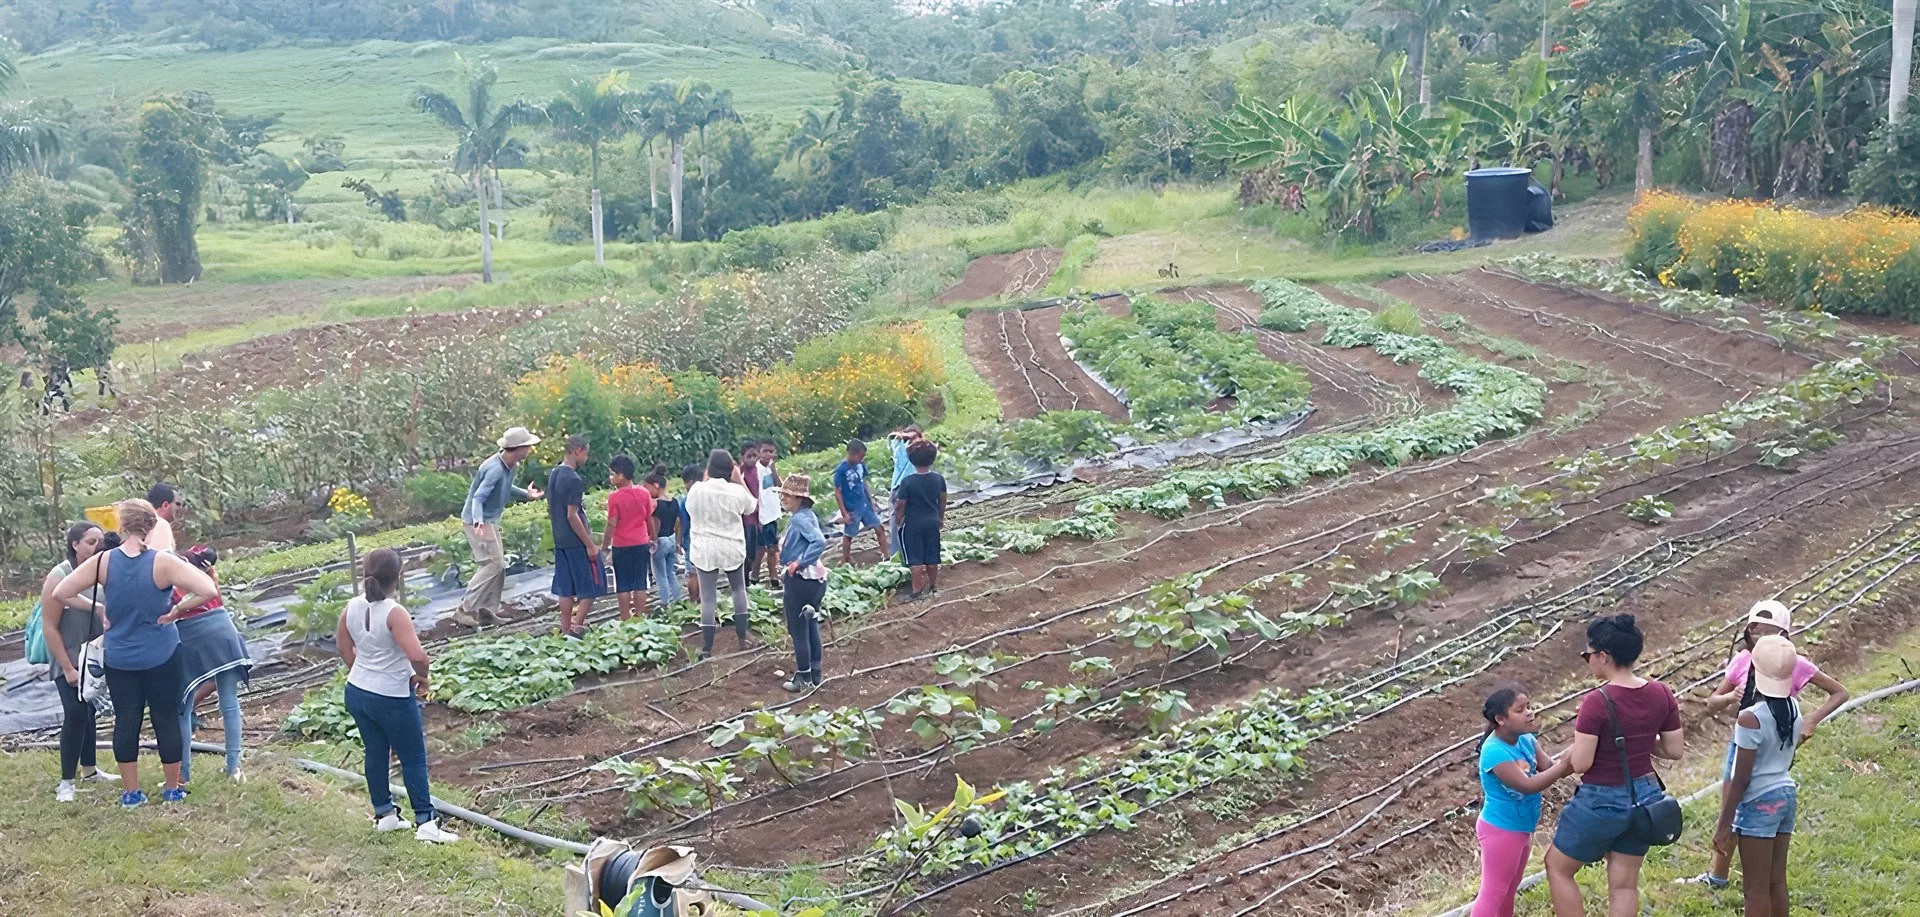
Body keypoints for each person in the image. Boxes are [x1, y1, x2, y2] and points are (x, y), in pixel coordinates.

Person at [51, 498, 220, 808]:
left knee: (126, 720)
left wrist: (100, 608)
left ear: (120, 525)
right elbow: (208, 590)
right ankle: (172, 789)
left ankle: (131, 793)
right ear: (151, 525)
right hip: (162, 653)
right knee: (166, 717)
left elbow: (61, 592)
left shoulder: (102, 563)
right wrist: (176, 611)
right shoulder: (163, 562)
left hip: (120, 656)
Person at [1679, 600, 1849, 890]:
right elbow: (1711, 704)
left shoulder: (1793, 663)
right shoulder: (1743, 662)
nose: (1760, 639)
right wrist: (1732, 695)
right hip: (1743, 743)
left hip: (1774, 745)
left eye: (1769, 634)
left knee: (1746, 804)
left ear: (1783, 637)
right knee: (1732, 807)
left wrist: (1811, 722)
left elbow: (1840, 692)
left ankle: (1754, 874)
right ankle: (1719, 876)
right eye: (1755, 632)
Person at [1544, 614, 1684, 917]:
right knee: (1624, 884)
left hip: (1603, 798)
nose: (1587, 660)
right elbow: (1674, 749)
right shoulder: (1661, 692)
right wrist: (1641, 739)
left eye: (1587, 655)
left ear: (1603, 656)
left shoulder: (1597, 700)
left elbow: (1582, 762)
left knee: (1558, 867)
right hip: (1646, 797)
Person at [335, 548, 458, 843]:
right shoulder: (394, 612)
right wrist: (424, 679)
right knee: (413, 756)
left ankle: (385, 815)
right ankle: (426, 824)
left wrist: (363, 673)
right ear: (398, 577)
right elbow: (418, 657)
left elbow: (343, 648)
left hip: (357, 692)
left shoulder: (350, 606)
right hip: (391, 695)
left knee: (375, 752)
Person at [1713, 635, 1803, 917]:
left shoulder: (1750, 717)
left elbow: (1741, 778)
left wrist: (1724, 823)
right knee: (1776, 881)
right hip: (1786, 795)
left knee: (1754, 889)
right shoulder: (1794, 708)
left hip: (1759, 803)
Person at [1473, 684, 1574, 917]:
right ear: (1501, 719)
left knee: (1508, 890)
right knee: (1493, 893)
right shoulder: (1494, 752)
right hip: (1501, 831)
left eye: (1529, 706)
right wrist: (1564, 766)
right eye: (1520, 710)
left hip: (1520, 829)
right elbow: (1527, 786)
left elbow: (1548, 767)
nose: (1529, 712)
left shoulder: (1526, 739)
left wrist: (1576, 754)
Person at [40, 522, 116, 802]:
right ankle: (66, 782)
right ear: (75, 544)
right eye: (90, 542)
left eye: (99, 541)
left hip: (94, 657)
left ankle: (90, 770)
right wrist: (68, 668)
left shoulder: (103, 570)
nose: (97, 546)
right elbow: (50, 626)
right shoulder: (60, 575)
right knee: (75, 713)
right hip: (68, 657)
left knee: (89, 711)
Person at [454, 427, 545, 628]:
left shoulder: (510, 465)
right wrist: (478, 521)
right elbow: (478, 497)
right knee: (493, 565)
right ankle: (464, 609)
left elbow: (506, 487)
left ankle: (487, 612)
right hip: (477, 520)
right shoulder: (494, 468)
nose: (529, 449)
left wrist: (526, 495)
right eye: (528, 446)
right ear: (518, 448)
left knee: (498, 567)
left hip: (489, 519)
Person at [173, 545, 250, 783]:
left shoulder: (176, 588)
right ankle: (234, 768)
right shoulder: (210, 585)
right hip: (225, 635)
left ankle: (183, 773)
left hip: (193, 640)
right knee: (229, 702)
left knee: (182, 707)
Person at [685, 449, 757, 657]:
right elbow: (751, 507)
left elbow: (690, 510)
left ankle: (707, 648)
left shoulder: (697, 489)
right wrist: (739, 480)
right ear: (730, 470)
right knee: (738, 590)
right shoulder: (736, 492)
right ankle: (742, 638)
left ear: (709, 469)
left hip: (705, 548)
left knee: (708, 598)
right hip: (731, 546)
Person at [549, 434, 604, 638]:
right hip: (575, 540)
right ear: (577, 451)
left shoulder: (555, 473)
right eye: (586, 453)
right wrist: (589, 544)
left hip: (560, 539)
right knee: (592, 584)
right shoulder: (573, 479)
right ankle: (576, 626)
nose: (586, 458)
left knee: (566, 587)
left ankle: (565, 628)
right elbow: (572, 515)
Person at [777, 473, 829, 692]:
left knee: (798, 629)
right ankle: (815, 674)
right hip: (816, 580)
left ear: (799, 498)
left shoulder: (799, 519)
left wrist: (798, 563)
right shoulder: (808, 515)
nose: (783, 499)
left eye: (787, 496)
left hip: (801, 580)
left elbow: (819, 541)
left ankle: (803, 678)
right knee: (810, 624)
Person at [603, 454, 656, 621]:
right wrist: (653, 538)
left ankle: (625, 619)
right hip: (641, 542)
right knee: (640, 582)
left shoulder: (614, 497)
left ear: (621, 474)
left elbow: (612, 523)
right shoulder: (644, 493)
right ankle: (640, 618)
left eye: (612, 473)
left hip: (621, 545)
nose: (611, 477)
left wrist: (605, 546)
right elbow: (649, 519)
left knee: (623, 585)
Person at [893, 439, 947, 600]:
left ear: (911, 459)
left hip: (913, 523)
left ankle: (916, 590)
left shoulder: (907, 482)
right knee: (932, 556)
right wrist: (940, 517)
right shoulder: (938, 479)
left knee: (914, 558)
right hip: (932, 521)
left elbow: (900, 505)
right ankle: (933, 586)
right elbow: (942, 499)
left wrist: (898, 521)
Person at [833, 439, 889, 565]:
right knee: (849, 535)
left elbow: (864, 484)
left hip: (865, 504)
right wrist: (844, 513)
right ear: (852, 453)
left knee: (879, 528)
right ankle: (846, 559)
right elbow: (838, 492)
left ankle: (886, 555)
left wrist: (871, 500)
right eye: (860, 456)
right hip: (852, 507)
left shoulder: (861, 466)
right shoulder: (841, 470)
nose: (862, 459)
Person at [646, 465, 685, 607]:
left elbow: (655, 523)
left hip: (660, 540)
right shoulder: (674, 501)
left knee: (660, 575)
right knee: (670, 573)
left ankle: (665, 603)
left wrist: (653, 541)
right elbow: (678, 522)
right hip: (672, 538)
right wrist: (678, 542)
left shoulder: (655, 504)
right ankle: (678, 600)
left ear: (656, 485)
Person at [886, 426, 923, 559]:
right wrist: (903, 436)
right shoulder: (900, 447)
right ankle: (897, 555)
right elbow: (891, 437)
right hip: (899, 488)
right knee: (897, 523)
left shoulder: (920, 451)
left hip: (913, 488)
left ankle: (910, 553)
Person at [755, 440, 784, 588]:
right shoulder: (756, 470)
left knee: (772, 547)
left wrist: (774, 470)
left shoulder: (770, 469)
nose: (768, 454)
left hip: (773, 513)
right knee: (763, 548)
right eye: (765, 451)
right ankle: (759, 575)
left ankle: (771, 576)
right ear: (759, 452)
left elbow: (780, 486)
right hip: (762, 514)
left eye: (771, 451)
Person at [739, 441, 764, 584]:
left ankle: (753, 575)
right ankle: (745, 580)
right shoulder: (740, 472)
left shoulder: (760, 470)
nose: (753, 459)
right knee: (746, 549)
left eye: (755, 455)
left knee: (757, 548)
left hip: (759, 516)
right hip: (745, 517)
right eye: (749, 456)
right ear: (742, 457)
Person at [680, 463, 702, 605]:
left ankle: (693, 601)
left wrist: (681, 540)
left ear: (690, 481)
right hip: (708, 538)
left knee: (692, 573)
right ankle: (704, 600)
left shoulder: (686, 500)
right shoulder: (709, 495)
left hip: (692, 540)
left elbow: (684, 524)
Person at [145, 482, 181, 553]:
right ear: (165, 505)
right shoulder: (160, 524)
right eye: (177, 504)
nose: (180, 508)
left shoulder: (138, 522)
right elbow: (161, 558)